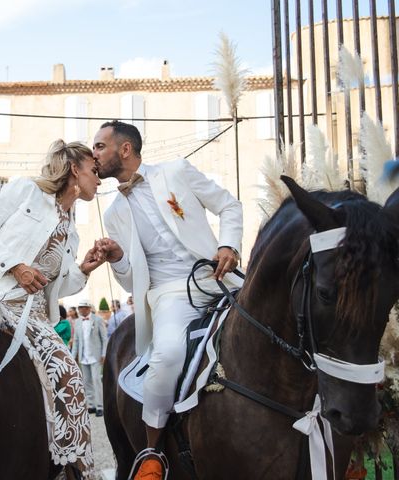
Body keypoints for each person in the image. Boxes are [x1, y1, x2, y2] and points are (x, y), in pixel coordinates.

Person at [93, 120, 243, 479]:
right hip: (170, 292)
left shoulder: (176, 171)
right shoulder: (113, 213)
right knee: (169, 353)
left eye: (100, 146)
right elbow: (132, 280)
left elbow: (229, 206)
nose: (93, 154)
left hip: (218, 276)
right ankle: (152, 451)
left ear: (124, 150)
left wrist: (228, 245)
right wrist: (117, 258)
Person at [0, 139, 104, 477]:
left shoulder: (71, 229)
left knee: (70, 379)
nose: (99, 180)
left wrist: (84, 269)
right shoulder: (26, 192)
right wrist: (16, 266)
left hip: (40, 317)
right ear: (75, 169)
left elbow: (60, 284)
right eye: (94, 170)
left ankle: (70, 468)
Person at [71, 300, 107, 417]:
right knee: (86, 381)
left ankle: (100, 406)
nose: (80, 310)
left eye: (83, 307)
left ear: (88, 308)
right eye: (79, 308)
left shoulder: (98, 320)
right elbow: (76, 341)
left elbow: (104, 339)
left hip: (96, 356)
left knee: (96, 380)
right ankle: (91, 405)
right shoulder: (77, 322)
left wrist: (104, 354)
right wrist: (72, 357)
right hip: (83, 356)